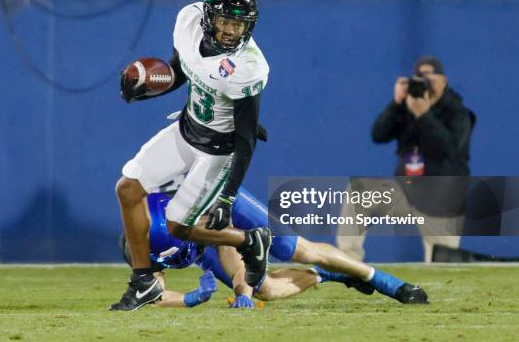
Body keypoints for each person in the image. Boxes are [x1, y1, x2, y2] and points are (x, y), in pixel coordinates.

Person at [111, 0, 272, 311]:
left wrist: (227, 196)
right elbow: (181, 70)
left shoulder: (249, 67)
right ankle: (143, 283)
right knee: (128, 189)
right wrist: (145, 88)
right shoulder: (189, 21)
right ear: (208, 17)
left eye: (238, 23)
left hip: (219, 151)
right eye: (225, 20)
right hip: (187, 129)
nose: (230, 30)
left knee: (179, 227)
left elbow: (245, 138)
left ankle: (249, 239)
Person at [118, 188, 428, 309]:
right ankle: (328, 275)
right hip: (205, 237)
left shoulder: (190, 214)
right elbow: (152, 295)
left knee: (298, 250)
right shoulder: (144, 250)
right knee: (265, 288)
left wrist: (242, 293)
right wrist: (189, 299)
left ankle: (386, 282)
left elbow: (236, 262)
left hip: (224, 206)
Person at [337, 57, 476, 262]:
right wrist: (395, 103)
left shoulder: (458, 113)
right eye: (420, 76)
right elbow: (378, 135)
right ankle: (347, 262)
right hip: (406, 192)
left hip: (441, 199)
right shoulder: (407, 106)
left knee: (443, 264)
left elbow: (449, 150)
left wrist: (424, 115)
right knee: (358, 191)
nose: (425, 80)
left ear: (444, 80)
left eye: (430, 75)